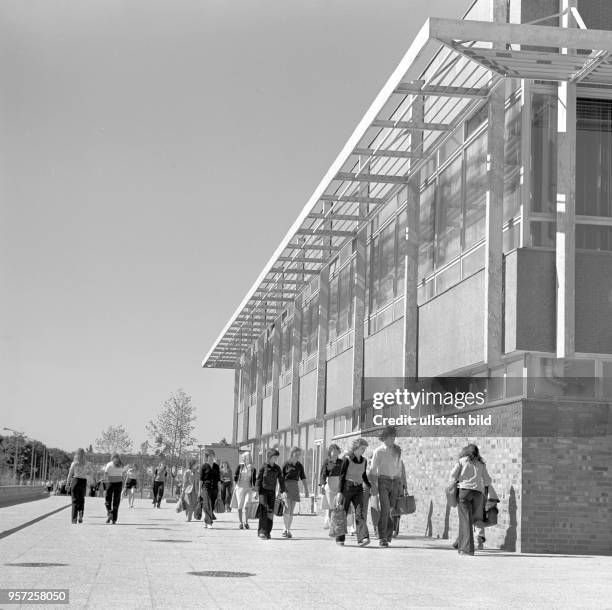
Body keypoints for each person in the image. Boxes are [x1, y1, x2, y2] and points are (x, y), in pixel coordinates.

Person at [448, 443, 492, 556]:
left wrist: (457, 480)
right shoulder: (481, 464)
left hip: (464, 492)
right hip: (478, 494)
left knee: (465, 520)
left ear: (467, 451)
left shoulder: (462, 461)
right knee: (470, 520)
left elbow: (452, 475)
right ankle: (460, 545)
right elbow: (487, 481)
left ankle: (467, 549)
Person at [369, 425, 403, 547]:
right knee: (385, 509)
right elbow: (372, 470)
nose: (392, 439)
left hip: (395, 482)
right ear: (384, 438)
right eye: (390, 437)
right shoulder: (378, 451)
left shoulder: (397, 450)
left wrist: (400, 484)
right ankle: (382, 537)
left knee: (391, 510)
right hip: (383, 481)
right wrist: (373, 486)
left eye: (394, 437)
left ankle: (388, 535)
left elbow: (399, 467)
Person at [334, 438, 371, 547]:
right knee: (343, 513)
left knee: (360, 513)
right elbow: (342, 476)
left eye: (365, 449)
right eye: (362, 448)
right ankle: (340, 538)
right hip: (347, 488)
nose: (364, 451)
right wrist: (339, 492)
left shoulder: (364, 461)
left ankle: (363, 538)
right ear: (356, 448)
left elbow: (363, 475)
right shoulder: (347, 459)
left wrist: (369, 486)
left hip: (358, 489)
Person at [256, 448, 287, 540]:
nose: (275, 459)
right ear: (269, 457)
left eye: (276, 457)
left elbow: (281, 480)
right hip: (263, 492)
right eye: (274, 457)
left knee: (270, 512)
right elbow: (258, 480)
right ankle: (262, 531)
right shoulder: (263, 467)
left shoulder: (277, 468)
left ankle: (268, 532)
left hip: (272, 493)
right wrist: (256, 492)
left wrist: (283, 491)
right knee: (263, 510)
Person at [281, 447, 309, 539]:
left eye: (299, 455)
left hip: (295, 487)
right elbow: (280, 478)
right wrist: (280, 490)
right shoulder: (286, 464)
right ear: (292, 454)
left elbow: (303, 478)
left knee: (291, 511)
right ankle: (285, 529)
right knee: (287, 508)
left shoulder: (299, 465)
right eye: (296, 454)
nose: (298, 456)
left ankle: (288, 530)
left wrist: (306, 490)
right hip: (286, 487)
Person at [66, 448, 93, 524]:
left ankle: (74, 519)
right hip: (83, 481)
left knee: (74, 501)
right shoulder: (87, 463)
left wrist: (67, 484)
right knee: (81, 500)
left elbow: (70, 474)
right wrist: (87, 475)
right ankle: (80, 512)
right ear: (84, 455)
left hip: (75, 481)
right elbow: (91, 472)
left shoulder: (74, 463)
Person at [319, 444, 343, 529]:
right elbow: (323, 474)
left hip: (339, 485)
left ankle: (333, 524)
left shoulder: (341, 462)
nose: (336, 452)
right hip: (330, 485)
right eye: (334, 451)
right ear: (330, 452)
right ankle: (331, 524)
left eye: (337, 451)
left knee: (337, 505)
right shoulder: (327, 462)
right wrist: (322, 485)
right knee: (331, 506)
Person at [234, 451, 257, 529]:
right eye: (248, 457)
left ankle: (246, 522)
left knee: (247, 504)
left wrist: (255, 489)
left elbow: (254, 479)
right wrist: (235, 486)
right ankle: (240, 522)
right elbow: (235, 477)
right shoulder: (240, 466)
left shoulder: (253, 468)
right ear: (244, 458)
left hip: (248, 487)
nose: (249, 458)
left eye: (250, 457)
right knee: (240, 505)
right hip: (240, 487)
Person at [199, 450, 220, 528]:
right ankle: (209, 523)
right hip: (206, 487)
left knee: (212, 505)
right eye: (209, 456)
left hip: (214, 488)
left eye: (212, 456)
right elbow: (201, 480)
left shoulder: (216, 466)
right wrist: (199, 491)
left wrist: (219, 491)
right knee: (207, 503)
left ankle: (206, 520)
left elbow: (218, 480)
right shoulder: (204, 466)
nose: (211, 457)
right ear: (207, 457)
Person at [104, 453, 124, 524]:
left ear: (112, 457)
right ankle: (114, 519)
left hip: (111, 483)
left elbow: (106, 474)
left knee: (107, 499)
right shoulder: (121, 465)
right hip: (119, 483)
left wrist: (105, 482)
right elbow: (122, 474)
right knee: (116, 501)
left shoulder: (109, 464)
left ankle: (109, 512)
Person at [392, 460, 408, 537]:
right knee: (391, 508)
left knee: (398, 509)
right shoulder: (388, 460)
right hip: (391, 488)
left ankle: (395, 530)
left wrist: (406, 489)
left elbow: (404, 476)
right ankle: (392, 529)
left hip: (399, 488)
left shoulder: (401, 462)